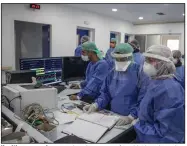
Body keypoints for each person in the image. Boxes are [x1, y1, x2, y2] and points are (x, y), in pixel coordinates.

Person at [83, 43, 147, 125]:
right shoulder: (112, 73)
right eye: (117, 59)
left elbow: (143, 100)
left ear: (130, 57)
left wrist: (131, 116)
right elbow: (105, 93)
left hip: (132, 120)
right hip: (113, 116)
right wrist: (96, 104)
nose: (119, 62)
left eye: (122, 59)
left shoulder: (139, 73)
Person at [134, 45, 184, 143]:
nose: (146, 64)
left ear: (164, 64)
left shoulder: (170, 91)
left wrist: (139, 126)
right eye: (146, 60)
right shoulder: (155, 82)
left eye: (151, 60)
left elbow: (168, 135)